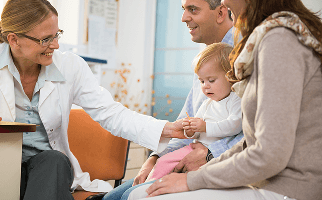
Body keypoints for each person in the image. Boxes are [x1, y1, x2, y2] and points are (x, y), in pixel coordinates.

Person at [0, 0, 186, 200]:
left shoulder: (70, 66)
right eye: (46, 39)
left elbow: (110, 113)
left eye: (57, 35)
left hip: (49, 171)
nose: (55, 45)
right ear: (14, 40)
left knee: (54, 160)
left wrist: (165, 129)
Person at [127, 0, 322, 199]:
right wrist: (159, 157)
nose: (224, 1)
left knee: (140, 196)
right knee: (139, 192)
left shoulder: (279, 41)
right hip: (268, 180)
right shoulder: (272, 38)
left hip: (288, 188)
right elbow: (250, 142)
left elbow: (268, 155)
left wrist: (193, 179)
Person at [103, 0, 244, 199]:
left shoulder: (244, 56)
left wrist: (210, 153)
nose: (184, 18)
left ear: (221, 12)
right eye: (183, 10)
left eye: (193, 9)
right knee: (112, 198)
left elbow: (256, 131)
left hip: (219, 167)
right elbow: (185, 123)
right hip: (187, 156)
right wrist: (155, 157)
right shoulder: (206, 62)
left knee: (129, 197)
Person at [145, 42, 241, 182]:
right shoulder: (207, 103)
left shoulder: (236, 100)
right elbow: (196, 131)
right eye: (201, 81)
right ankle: (149, 186)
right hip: (194, 148)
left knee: (191, 177)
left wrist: (205, 127)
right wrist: (190, 130)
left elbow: (235, 125)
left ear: (231, 76)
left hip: (214, 157)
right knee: (164, 162)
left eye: (211, 80)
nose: (205, 86)